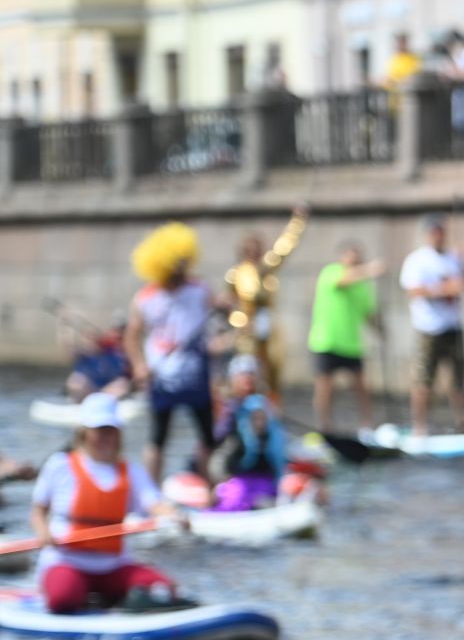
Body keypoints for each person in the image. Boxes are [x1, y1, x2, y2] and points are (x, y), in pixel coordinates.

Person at [28, 393, 187, 614]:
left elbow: (155, 504)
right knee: (63, 599)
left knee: (164, 589)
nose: (105, 437)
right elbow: (38, 512)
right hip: (67, 560)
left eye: (110, 430)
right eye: (99, 430)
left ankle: (114, 598)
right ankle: (79, 594)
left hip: (113, 565)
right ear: (84, 432)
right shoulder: (59, 465)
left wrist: (173, 515)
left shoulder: (131, 471)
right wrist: (44, 532)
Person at [125, 221, 217, 480]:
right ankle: (152, 489)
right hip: (161, 376)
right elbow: (131, 335)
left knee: (207, 435)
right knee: (158, 437)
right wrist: (139, 365)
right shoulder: (145, 297)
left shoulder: (200, 290)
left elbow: (218, 317)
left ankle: (207, 486)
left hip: (195, 374)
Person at [220, 203, 309, 400]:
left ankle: (271, 405)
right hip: (246, 327)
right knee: (246, 369)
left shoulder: (265, 269)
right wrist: (239, 322)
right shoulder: (235, 274)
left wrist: (298, 221)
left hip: (266, 322)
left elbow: (284, 247)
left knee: (273, 365)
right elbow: (229, 303)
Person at [399, 214, 464, 435]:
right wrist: (444, 289)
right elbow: (414, 290)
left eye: (441, 232)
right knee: (424, 379)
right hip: (429, 328)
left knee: (459, 378)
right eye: (434, 232)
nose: (438, 236)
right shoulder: (418, 260)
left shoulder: (454, 258)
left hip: (453, 326)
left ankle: (463, 423)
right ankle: (420, 426)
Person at [309, 240, 385, 432]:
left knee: (361, 387)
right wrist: (369, 270)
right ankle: (324, 427)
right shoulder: (331, 272)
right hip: (327, 340)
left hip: (351, 343)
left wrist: (381, 330)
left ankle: (366, 425)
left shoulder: (362, 285)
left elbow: (369, 313)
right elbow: (343, 281)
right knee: (326, 386)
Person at [209, 359, 291, 512]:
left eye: (250, 375)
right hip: (238, 477)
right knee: (236, 496)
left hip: (264, 477)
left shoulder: (266, 405)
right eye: (242, 375)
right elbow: (219, 443)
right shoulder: (231, 411)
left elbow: (279, 448)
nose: (247, 379)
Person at [63, 311, 132, 400]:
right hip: (87, 391)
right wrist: (65, 324)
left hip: (105, 391)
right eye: (87, 338)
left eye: (92, 338)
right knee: (75, 381)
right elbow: (68, 347)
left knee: (123, 384)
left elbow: (121, 377)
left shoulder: (110, 352)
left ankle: (101, 401)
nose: (90, 341)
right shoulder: (82, 354)